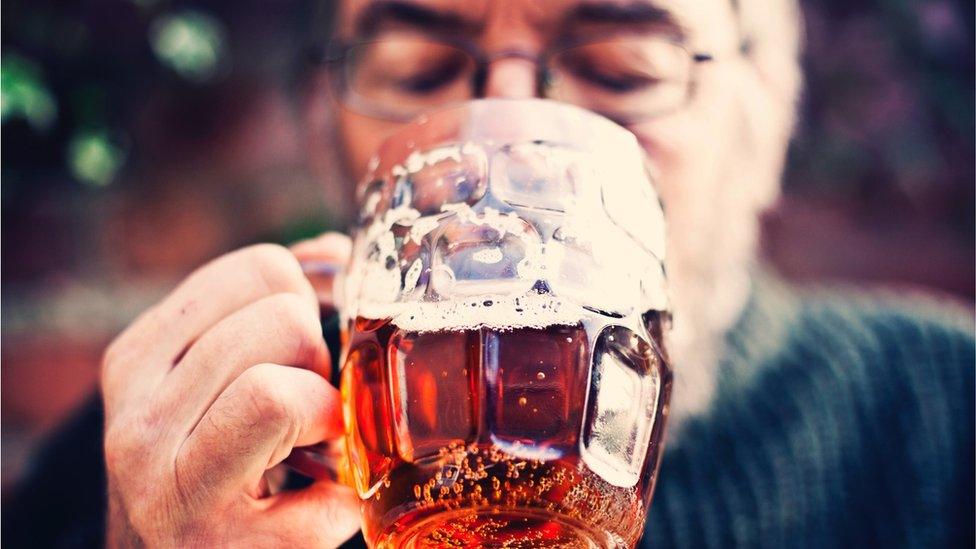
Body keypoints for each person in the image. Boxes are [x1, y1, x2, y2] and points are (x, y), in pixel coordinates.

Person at [5, 0, 973, 547]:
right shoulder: (143, 472)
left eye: (621, 67)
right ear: (318, 120)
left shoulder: (947, 423)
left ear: (768, 109)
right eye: (423, 69)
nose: (506, 149)